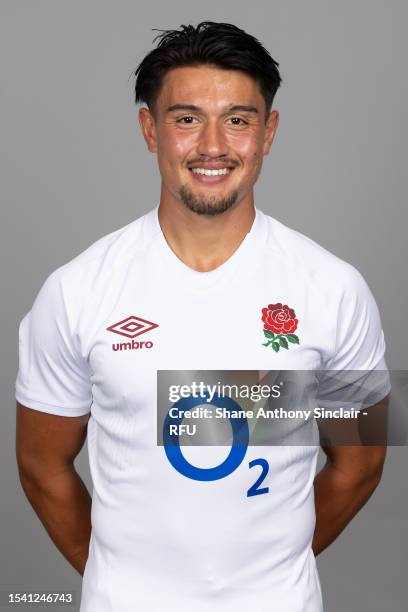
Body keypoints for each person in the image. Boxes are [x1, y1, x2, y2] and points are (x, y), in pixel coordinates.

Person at [15, 21, 390, 612]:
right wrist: (116, 580)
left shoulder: (335, 290)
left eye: (238, 120)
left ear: (268, 133)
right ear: (149, 129)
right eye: (186, 118)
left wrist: (275, 571)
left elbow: (360, 462)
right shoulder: (76, 290)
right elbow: (40, 464)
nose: (213, 145)